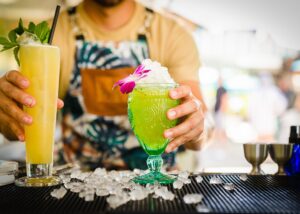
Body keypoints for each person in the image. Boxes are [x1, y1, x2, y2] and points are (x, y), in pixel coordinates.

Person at [0, 0, 208, 170]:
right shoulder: (50, 37)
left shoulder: (172, 35)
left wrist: (198, 128)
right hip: (76, 185)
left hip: (157, 184)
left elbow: (200, 131)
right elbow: (23, 118)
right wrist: (9, 115)